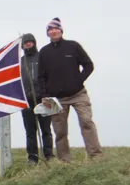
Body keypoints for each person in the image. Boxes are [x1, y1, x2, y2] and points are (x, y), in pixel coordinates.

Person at [38, 17, 102, 162]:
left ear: (61, 30)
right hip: (56, 99)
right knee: (60, 131)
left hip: (78, 94)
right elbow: (40, 76)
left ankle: (96, 156)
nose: (53, 32)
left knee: (86, 122)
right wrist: (44, 95)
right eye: (50, 30)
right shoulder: (44, 52)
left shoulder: (73, 46)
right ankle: (65, 160)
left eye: (56, 29)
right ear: (48, 33)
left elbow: (89, 65)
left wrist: (78, 81)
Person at [20, 33, 54, 165]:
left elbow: (49, 76)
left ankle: (49, 155)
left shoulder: (42, 57)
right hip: (26, 101)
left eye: (30, 41)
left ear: (34, 42)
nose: (28, 44)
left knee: (46, 129)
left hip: (43, 99)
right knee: (30, 131)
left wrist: (46, 94)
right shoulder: (21, 62)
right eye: (25, 42)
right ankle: (32, 157)